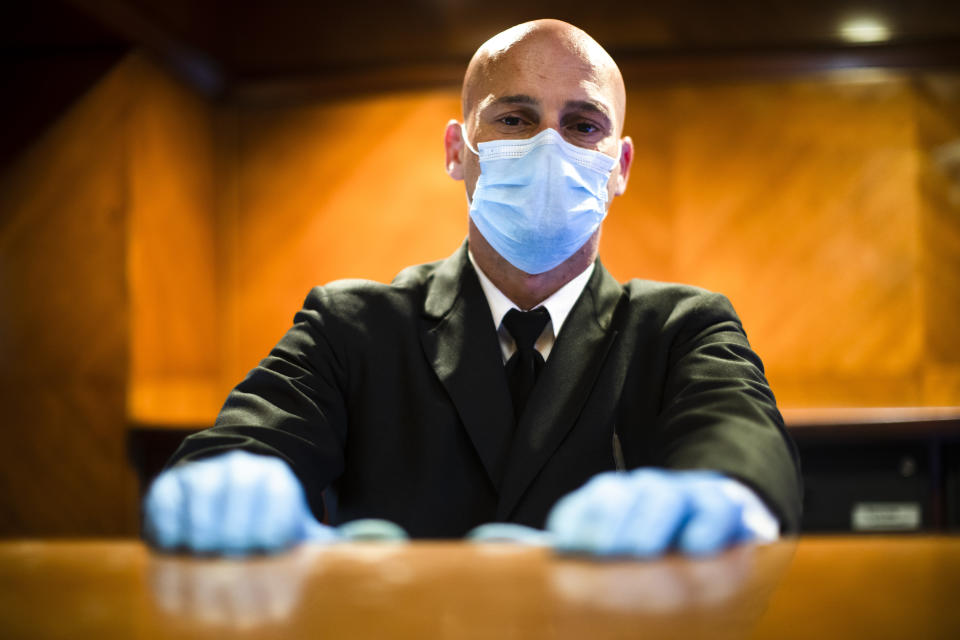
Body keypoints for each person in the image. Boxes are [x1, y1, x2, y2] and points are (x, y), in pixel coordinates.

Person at [143, 19, 802, 557]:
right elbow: (242, 447)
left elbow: (741, 438)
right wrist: (226, 487)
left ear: (620, 167)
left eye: (582, 125)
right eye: (514, 119)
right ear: (458, 150)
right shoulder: (351, 327)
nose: (550, 147)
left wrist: (721, 496)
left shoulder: (684, 328)